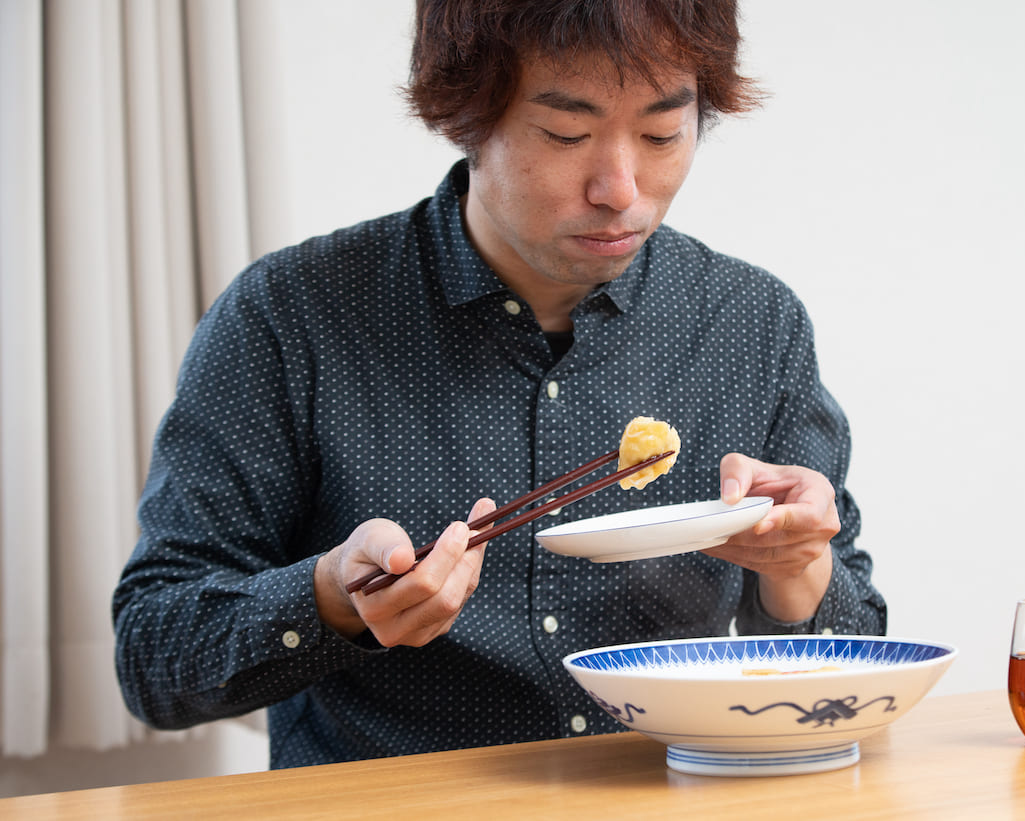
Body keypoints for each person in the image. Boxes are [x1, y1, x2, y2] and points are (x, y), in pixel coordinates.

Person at [112, 0, 886, 768]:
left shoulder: (751, 323)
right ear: (466, 115)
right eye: (567, 134)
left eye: (661, 134)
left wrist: (799, 570)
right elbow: (152, 655)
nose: (621, 188)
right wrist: (329, 600)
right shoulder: (294, 313)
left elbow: (858, 658)